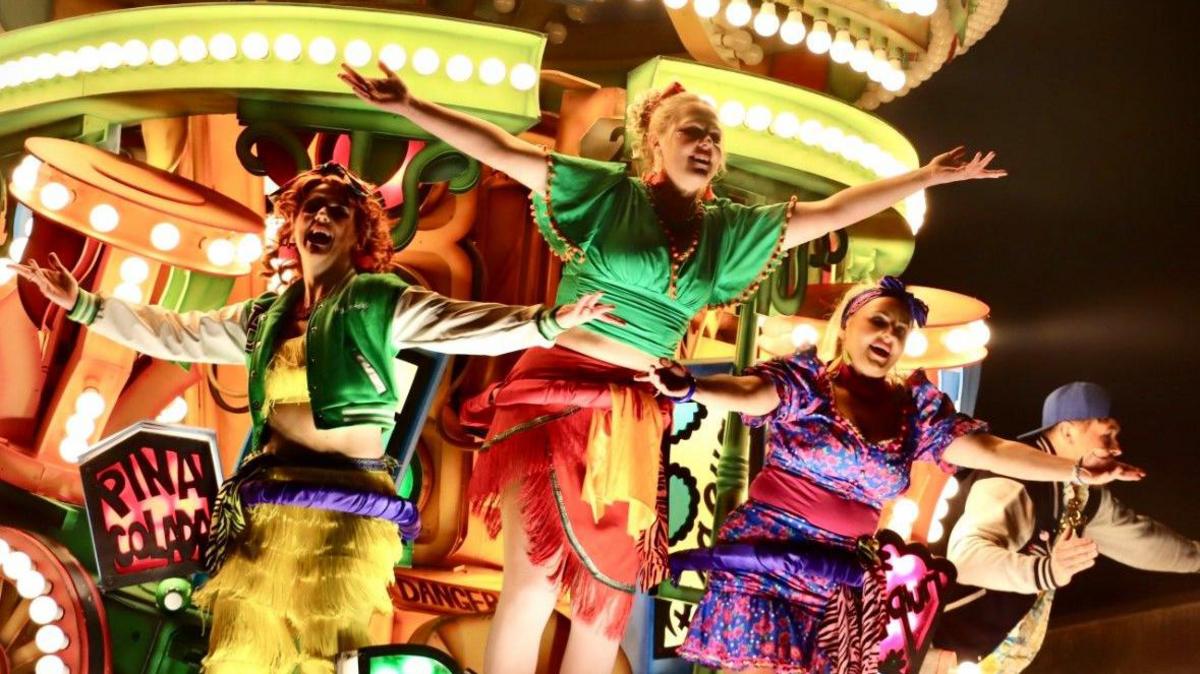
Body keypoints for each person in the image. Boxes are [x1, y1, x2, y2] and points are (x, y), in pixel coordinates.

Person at [340, 61, 1006, 674]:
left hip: (636, 413)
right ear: (653, 140)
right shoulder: (604, 194)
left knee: (610, 599)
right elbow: (506, 153)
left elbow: (832, 212)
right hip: (560, 393)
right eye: (691, 129)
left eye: (714, 136)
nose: (706, 143)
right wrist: (411, 105)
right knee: (536, 579)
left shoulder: (725, 232)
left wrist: (927, 177)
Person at [11, 163, 618, 674]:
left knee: (322, 653)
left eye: (337, 212)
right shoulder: (267, 316)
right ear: (293, 227)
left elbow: (465, 324)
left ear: (359, 232)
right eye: (311, 210)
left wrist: (547, 322)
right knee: (245, 645)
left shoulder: (381, 302)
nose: (321, 219)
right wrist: (85, 305)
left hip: (343, 511)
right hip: (267, 507)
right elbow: (177, 333)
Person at [637, 278, 1144, 674]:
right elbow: (752, 394)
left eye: (901, 330)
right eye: (879, 322)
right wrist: (691, 391)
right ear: (847, 326)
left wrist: (1074, 468)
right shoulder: (810, 382)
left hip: (842, 577)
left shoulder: (916, 410)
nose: (890, 335)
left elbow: (988, 449)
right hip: (771, 558)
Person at [929, 382, 1200, 673]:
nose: (1117, 447)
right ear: (1067, 431)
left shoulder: (1083, 494)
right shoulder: (1013, 479)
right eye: (1107, 434)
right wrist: (1048, 571)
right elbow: (966, 559)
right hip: (940, 649)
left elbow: (1142, 541)